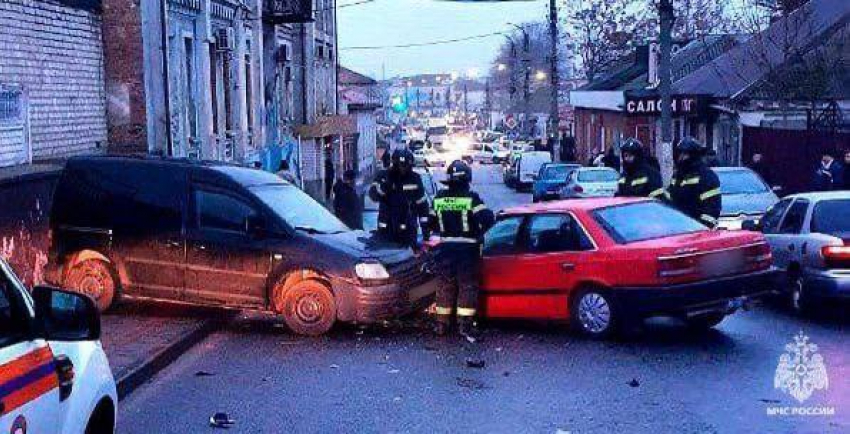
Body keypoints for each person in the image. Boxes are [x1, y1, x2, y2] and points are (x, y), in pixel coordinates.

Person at [428, 160, 495, 340]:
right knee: (467, 287)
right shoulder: (471, 198)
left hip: (445, 251)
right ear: (467, 179)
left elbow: (430, 223)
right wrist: (478, 232)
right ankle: (465, 325)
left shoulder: (439, 198)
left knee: (445, 285)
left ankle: (441, 324)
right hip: (467, 251)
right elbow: (488, 219)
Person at [368, 149, 430, 249]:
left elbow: (422, 207)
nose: (403, 169)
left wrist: (426, 233)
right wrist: (385, 185)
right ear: (394, 164)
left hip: (408, 230)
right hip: (387, 230)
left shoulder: (415, 178)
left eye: (406, 166)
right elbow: (373, 196)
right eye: (400, 166)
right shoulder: (383, 175)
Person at [665, 137, 722, 228]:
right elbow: (669, 198)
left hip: (696, 229)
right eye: (679, 154)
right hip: (676, 228)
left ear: (694, 155)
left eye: (684, 155)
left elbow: (712, 209)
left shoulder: (706, 176)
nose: (681, 158)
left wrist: (700, 228)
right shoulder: (678, 175)